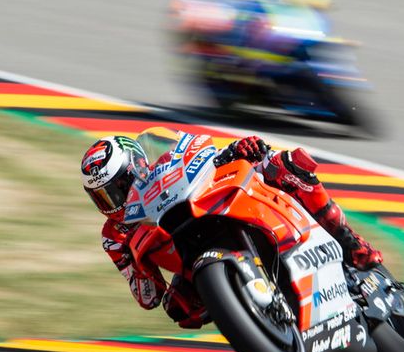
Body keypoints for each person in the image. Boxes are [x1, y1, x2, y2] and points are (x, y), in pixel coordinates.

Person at [81, 132, 382, 328]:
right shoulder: (113, 235)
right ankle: (253, 318)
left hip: (213, 202)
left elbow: (202, 153)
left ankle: (352, 243)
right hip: (188, 254)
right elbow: (148, 298)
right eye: (104, 196)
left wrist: (238, 149)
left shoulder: (162, 164)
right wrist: (136, 263)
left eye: (118, 187)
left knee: (285, 165)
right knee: (179, 308)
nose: (115, 200)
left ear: (136, 165)